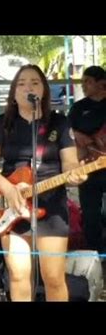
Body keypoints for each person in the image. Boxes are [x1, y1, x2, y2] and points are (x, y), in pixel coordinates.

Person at [0, 64, 87, 301]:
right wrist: (7, 188)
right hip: (12, 205)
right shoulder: (3, 123)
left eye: (35, 82)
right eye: (22, 83)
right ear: (14, 93)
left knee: (54, 277)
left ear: (44, 90)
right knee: (17, 274)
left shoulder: (59, 122)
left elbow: (69, 163)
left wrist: (76, 173)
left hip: (52, 205)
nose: (28, 87)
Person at [67, 66, 106, 253]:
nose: (83, 85)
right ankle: (95, 255)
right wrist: (77, 134)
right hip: (88, 167)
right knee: (90, 214)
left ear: (101, 84)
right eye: (82, 81)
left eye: (88, 81)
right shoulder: (78, 108)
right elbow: (64, 130)